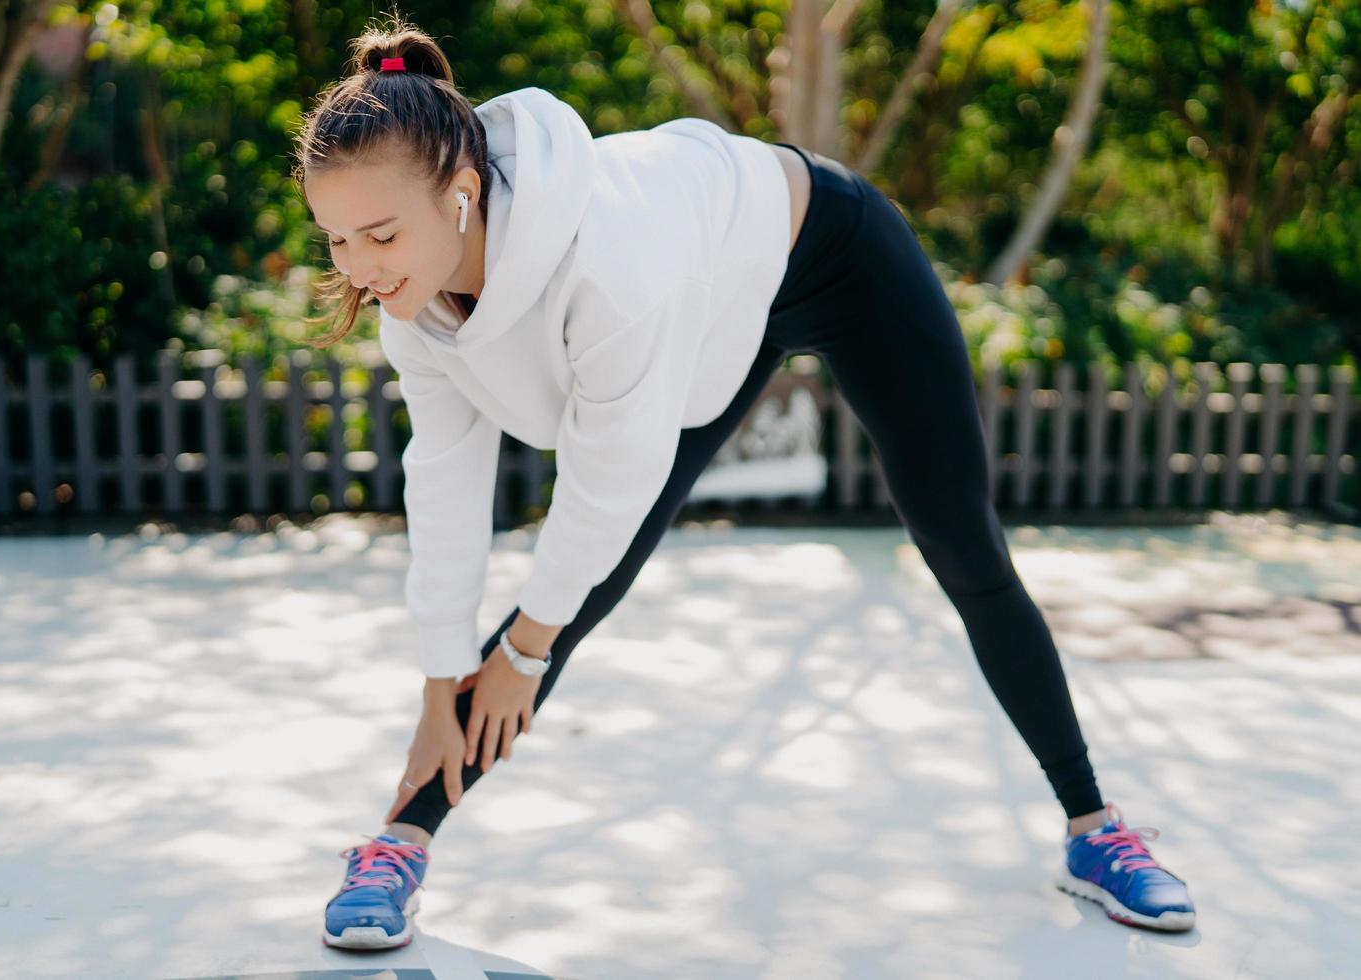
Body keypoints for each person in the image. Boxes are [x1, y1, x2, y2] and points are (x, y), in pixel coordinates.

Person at [294, 13, 1197, 951]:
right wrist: (443, 679)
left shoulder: (608, 263)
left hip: (830, 250)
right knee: (579, 592)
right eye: (337, 242)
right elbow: (442, 482)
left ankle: (1097, 832)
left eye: (380, 234)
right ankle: (399, 842)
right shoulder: (409, 301)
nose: (359, 269)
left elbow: (606, 483)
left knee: (962, 546)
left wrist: (522, 650)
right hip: (715, 297)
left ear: (461, 196)